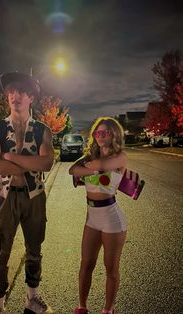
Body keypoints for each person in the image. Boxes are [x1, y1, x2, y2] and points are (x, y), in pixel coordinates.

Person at [0, 71, 54, 314]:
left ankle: (32, 298)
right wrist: (28, 162)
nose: (15, 96)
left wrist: (10, 157)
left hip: (34, 197)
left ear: (31, 97)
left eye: (21, 92)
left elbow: (46, 164)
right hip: (5, 197)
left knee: (34, 249)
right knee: (0, 251)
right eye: (11, 92)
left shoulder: (43, 130)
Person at [69, 117, 128, 314]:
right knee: (86, 265)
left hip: (112, 220)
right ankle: (82, 307)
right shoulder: (90, 157)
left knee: (110, 269)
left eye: (105, 133)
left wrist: (88, 166)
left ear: (114, 135)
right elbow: (72, 170)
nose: (100, 136)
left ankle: (108, 309)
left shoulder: (120, 157)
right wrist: (89, 165)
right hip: (92, 219)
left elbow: (104, 166)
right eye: (97, 133)